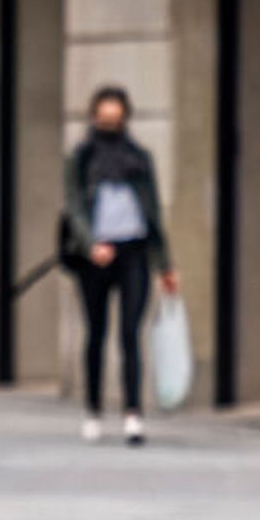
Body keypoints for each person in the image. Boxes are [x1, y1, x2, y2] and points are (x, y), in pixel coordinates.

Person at [62, 84, 177, 446]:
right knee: (95, 332)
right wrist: (90, 244)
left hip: (133, 252)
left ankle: (133, 413)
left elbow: (153, 212)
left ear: (125, 116)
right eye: (104, 117)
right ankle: (93, 410)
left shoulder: (139, 158)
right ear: (95, 116)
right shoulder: (80, 158)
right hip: (95, 255)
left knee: (130, 332)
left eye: (116, 117)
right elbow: (74, 206)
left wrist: (165, 264)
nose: (110, 123)